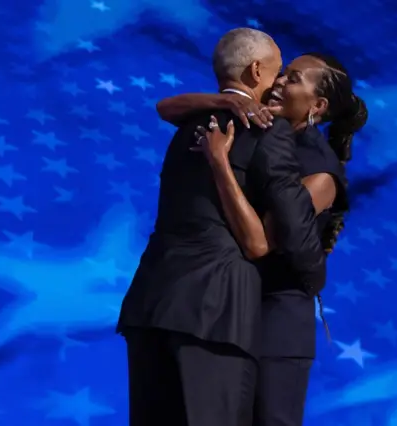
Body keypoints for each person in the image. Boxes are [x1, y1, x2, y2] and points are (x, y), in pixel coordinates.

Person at [116, 29, 327, 426]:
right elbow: (261, 245)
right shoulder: (269, 131)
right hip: (216, 311)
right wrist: (311, 274)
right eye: (276, 73)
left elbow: (164, 106)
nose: (278, 84)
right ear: (255, 70)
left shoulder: (187, 121)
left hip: (152, 302)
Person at [156, 53, 368, 426]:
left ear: (317, 105)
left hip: (277, 323)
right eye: (283, 73)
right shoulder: (262, 125)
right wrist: (226, 99)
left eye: (294, 78)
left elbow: (260, 243)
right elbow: (168, 108)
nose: (280, 81)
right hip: (234, 306)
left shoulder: (320, 174)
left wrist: (219, 163)